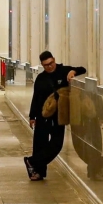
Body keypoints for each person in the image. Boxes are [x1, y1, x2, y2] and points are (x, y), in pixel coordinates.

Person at [25, 51, 86, 181]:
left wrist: (73, 72)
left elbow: (83, 69)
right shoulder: (41, 78)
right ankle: (38, 172)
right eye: (46, 65)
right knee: (40, 144)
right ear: (42, 65)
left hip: (59, 116)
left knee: (56, 144)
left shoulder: (63, 71)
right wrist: (32, 116)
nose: (49, 66)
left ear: (54, 59)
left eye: (51, 63)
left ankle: (32, 161)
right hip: (43, 115)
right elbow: (36, 98)